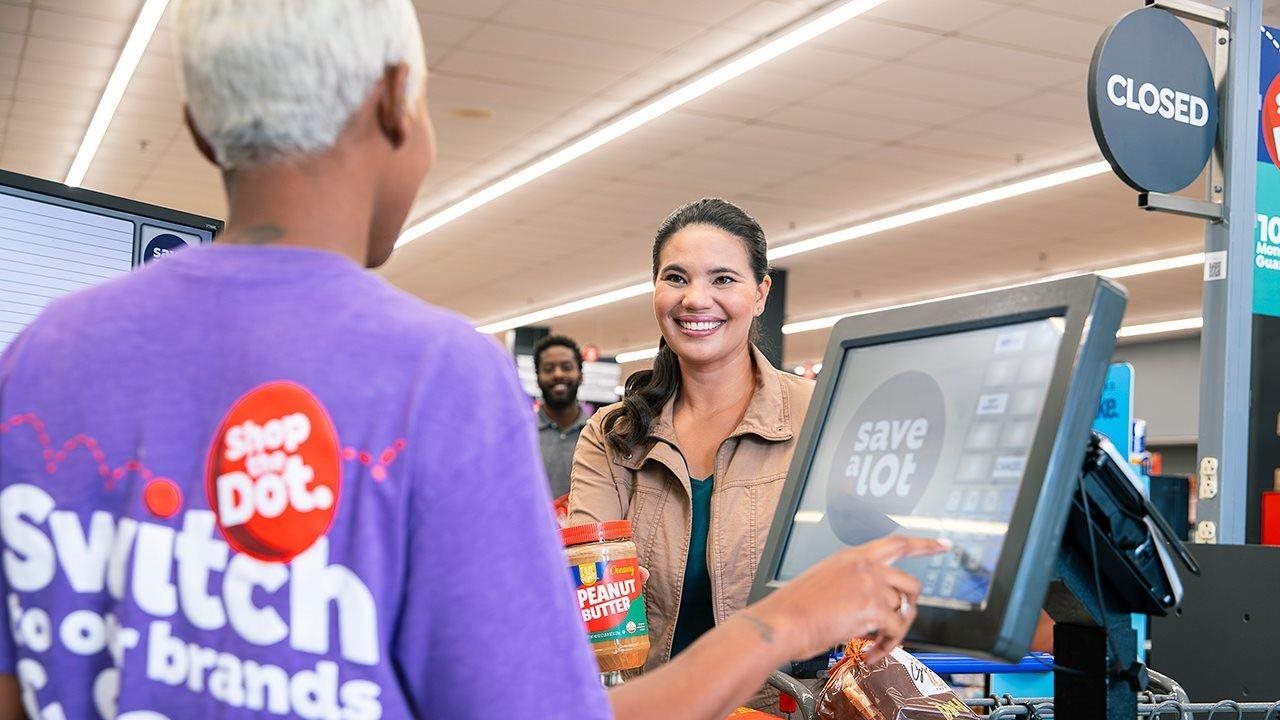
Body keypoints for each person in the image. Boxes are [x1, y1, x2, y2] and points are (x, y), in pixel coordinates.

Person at [0, 2, 943, 718]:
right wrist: (787, 621)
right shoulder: (436, 380)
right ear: (395, 103)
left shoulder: (42, 358)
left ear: (201, 126)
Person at [568, 198, 813, 706]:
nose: (695, 299)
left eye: (723, 279)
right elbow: (594, 592)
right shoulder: (612, 436)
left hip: (781, 707)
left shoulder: (816, 415)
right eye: (675, 278)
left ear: (761, 292)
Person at [533, 334, 589, 500]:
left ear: (580, 375)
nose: (558, 374)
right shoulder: (522, 436)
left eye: (566, 367)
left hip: (582, 526)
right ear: (538, 378)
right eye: (548, 369)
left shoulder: (599, 436)